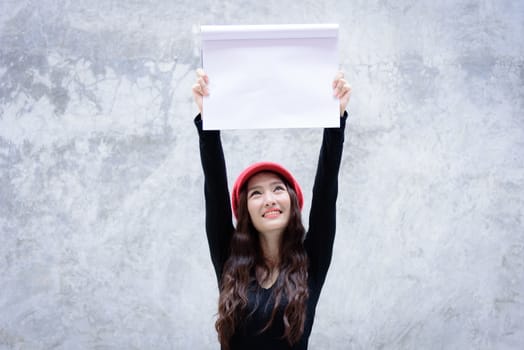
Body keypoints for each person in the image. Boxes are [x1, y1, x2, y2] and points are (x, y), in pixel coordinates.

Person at [192, 68, 351, 350]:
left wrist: (335, 121)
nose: (269, 199)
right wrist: (208, 120)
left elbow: (326, 193)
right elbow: (214, 189)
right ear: (245, 211)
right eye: (256, 193)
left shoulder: (310, 262)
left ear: (292, 203)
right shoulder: (230, 259)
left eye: (278, 189)